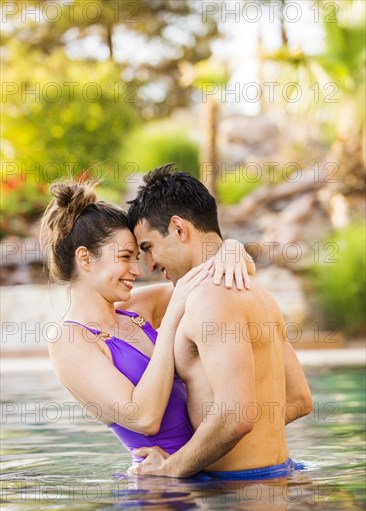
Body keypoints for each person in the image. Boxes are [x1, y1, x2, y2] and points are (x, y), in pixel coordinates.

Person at [40, 179, 255, 462]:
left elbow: (216, 277)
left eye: (139, 256)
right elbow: (144, 417)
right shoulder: (69, 342)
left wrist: (231, 249)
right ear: (86, 258)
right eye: (126, 257)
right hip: (158, 492)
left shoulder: (137, 308)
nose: (137, 270)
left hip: (203, 471)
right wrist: (169, 324)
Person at [126, 164, 313, 479]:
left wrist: (171, 468)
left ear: (179, 228)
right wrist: (253, 452)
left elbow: (237, 417)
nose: (149, 264)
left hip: (236, 497)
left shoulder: (211, 298)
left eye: (148, 248)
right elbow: (299, 399)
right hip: (275, 477)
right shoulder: (255, 290)